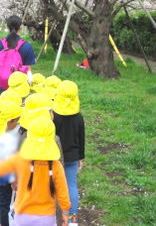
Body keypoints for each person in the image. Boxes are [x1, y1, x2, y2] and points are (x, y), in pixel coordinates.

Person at [0, 116, 71, 226]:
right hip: (46, 218)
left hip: (22, 216)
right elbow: (63, 193)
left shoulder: (20, 159)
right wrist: (65, 214)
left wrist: (14, 183)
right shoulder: (56, 166)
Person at [52, 81, 85, 226]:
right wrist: (80, 157)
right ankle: (72, 220)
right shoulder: (78, 117)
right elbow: (81, 139)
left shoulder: (54, 116)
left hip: (55, 157)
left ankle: (50, 216)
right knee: (71, 185)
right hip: (72, 157)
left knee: (52, 186)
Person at [0, 15, 36, 106]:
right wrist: (30, 83)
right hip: (19, 87)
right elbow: (28, 69)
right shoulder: (27, 46)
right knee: (17, 114)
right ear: (21, 26)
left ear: (7, 26)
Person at [0, 100, 23, 226]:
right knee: (6, 203)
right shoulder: (13, 135)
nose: (19, 121)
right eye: (17, 119)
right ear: (10, 121)